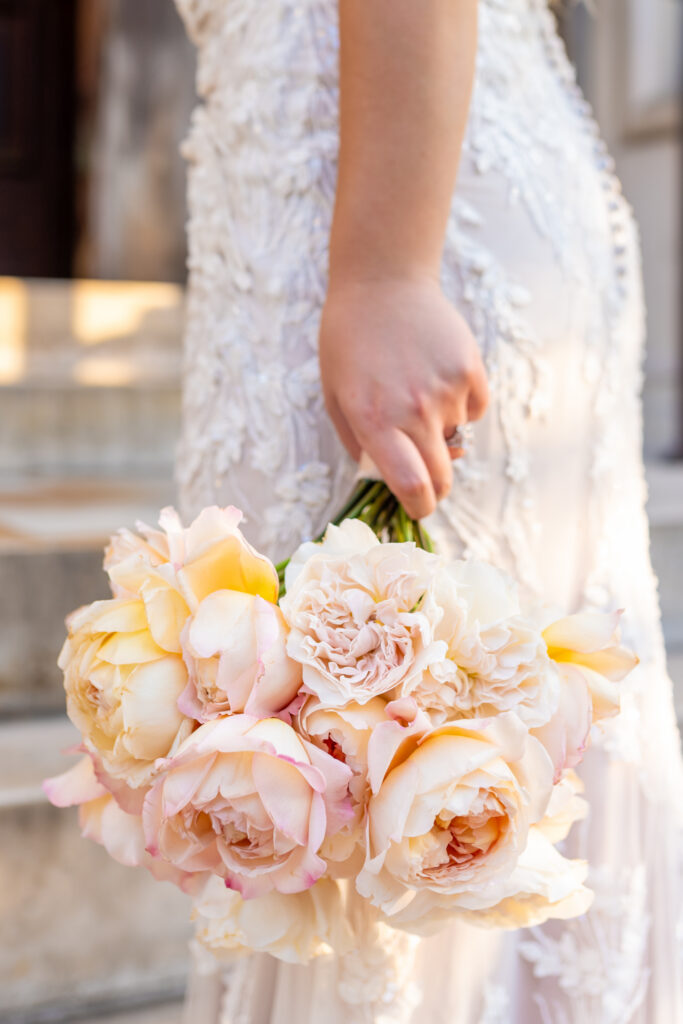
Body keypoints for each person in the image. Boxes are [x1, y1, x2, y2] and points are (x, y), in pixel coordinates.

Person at [174, 1, 683, 1020]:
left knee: (412, 756)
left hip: (386, 210)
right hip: (353, 186)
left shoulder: (379, 263)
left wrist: (383, 271)